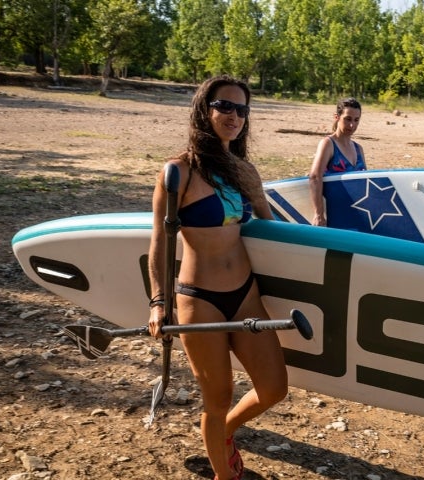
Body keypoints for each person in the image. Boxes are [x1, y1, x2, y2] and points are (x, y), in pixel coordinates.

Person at [147, 75, 287, 480]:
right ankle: (224, 472)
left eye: (241, 109)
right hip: (198, 299)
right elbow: (159, 242)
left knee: (274, 388)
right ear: (203, 110)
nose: (234, 116)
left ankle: (224, 432)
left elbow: (272, 227)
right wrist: (159, 302)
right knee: (218, 397)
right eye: (225, 106)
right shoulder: (178, 173)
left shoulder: (245, 171)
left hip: (245, 294)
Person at [308, 97, 367, 226]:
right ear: (337, 117)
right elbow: (314, 177)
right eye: (348, 119)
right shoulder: (328, 144)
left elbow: (366, 184)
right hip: (335, 215)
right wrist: (318, 214)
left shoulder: (359, 149)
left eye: (356, 120)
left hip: (358, 214)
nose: (352, 125)